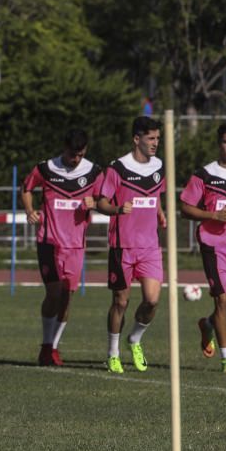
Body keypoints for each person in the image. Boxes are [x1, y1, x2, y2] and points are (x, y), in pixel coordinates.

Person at [21, 129, 104, 367]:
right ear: (63, 148)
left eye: (79, 154)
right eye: (71, 153)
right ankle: (46, 345)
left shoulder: (94, 172)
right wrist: (29, 210)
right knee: (54, 292)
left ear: (85, 150)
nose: (75, 159)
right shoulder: (46, 169)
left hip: (76, 245)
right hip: (49, 242)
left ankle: (53, 347)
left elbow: (107, 200)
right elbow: (27, 188)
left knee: (67, 297)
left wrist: (95, 202)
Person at [96, 116, 166, 374]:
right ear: (137, 139)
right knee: (121, 302)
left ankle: (135, 338)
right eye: (151, 138)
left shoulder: (159, 166)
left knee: (152, 300)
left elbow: (156, 195)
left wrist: (160, 212)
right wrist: (116, 208)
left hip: (149, 246)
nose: (155, 143)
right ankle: (113, 352)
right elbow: (101, 202)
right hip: (122, 245)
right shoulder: (117, 169)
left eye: (158, 138)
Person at [180, 124, 226, 375]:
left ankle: (207, 325)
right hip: (213, 244)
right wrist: (213, 214)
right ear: (219, 143)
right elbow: (185, 208)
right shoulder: (204, 174)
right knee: (222, 299)